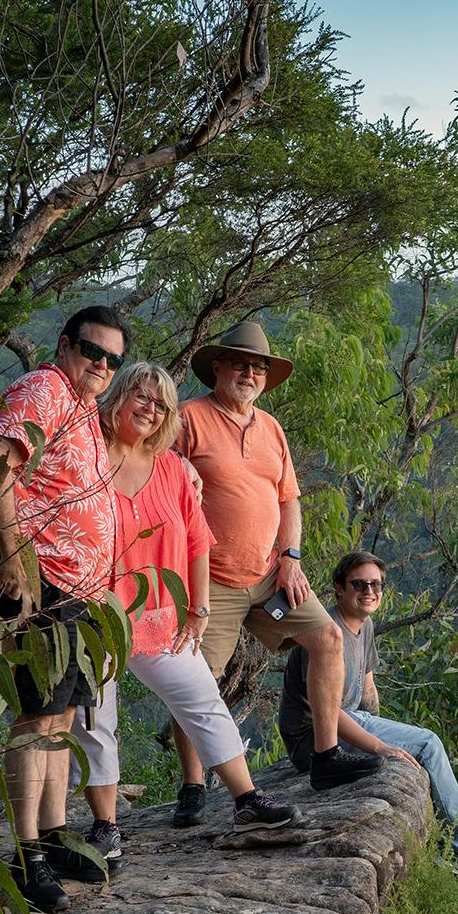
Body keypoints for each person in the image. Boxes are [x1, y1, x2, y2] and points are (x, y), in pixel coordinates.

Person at [68, 364, 299, 871]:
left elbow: (197, 541)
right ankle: (105, 827)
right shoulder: (87, 457)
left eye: (159, 404)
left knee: (202, 701)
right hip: (92, 613)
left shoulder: (173, 469)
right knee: (96, 721)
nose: (149, 409)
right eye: (140, 397)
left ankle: (246, 801)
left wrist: (199, 607)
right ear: (119, 398)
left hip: (158, 614)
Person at [169, 320, 379, 825]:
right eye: (239, 363)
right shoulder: (188, 419)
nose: (248, 373)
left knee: (328, 639)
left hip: (269, 574)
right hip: (209, 576)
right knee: (196, 679)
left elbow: (289, 501)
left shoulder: (271, 428)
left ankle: (325, 756)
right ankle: (194, 785)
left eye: (258, 367)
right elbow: (156, 478)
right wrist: (181, 471)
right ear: (216, 366)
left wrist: (292, 556)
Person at [0, 305, 128, 913]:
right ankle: (26, 854)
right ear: (66, 345)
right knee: (35, 722)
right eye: (93, 352)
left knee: (62, 721)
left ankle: (56, 834)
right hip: (41, 585)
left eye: (112, 360)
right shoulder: (43, 387)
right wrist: (13, 557)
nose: (102, 366)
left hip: (80, 594)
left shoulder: (82, 405)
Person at [278, 551, 458, 883]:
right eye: (359, 584)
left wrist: (386, 732)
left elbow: (367, 689)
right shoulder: (325, 632)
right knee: (428, 743)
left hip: (348, 719)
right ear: (339, 588)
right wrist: (380, 746)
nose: (370, 592)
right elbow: (328, 711)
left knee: (416, 748)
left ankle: (454, 843)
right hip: (315, 737)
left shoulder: (362, 626)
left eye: (376, 585)